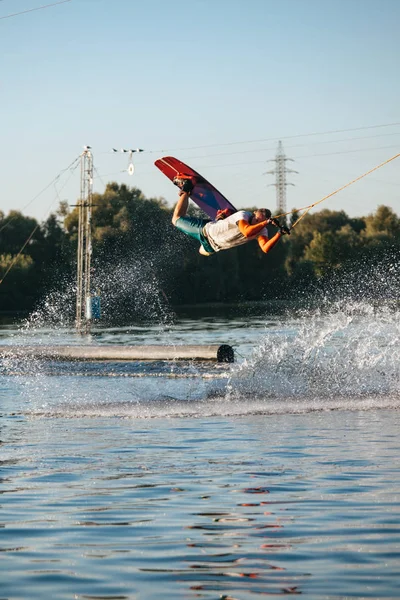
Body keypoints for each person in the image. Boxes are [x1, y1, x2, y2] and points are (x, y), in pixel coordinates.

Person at [171, 176, 290, 256]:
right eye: (256, 219)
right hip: (205, 231)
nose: (256, 222)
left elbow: (265, 248)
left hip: (213, 247)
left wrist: (279, 234)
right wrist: (266, 222)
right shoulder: (243, 215)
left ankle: (221, 220)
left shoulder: (262, 231)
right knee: (176, 219)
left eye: (260, 221)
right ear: (253, 213)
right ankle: (186, 188)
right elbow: (247, 232)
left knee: (201, 251)